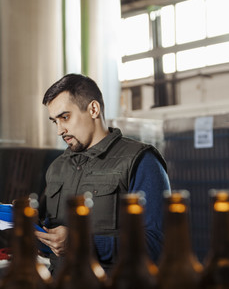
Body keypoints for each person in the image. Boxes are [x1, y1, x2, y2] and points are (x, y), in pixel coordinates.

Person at [35, 73, 171, 274]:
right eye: (54, 121)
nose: (59, 130)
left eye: (65, 117)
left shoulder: (141, 160)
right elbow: (53, 238)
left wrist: (81, 241)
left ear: (93, 109)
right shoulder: (57, 167)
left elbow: (157, 245)